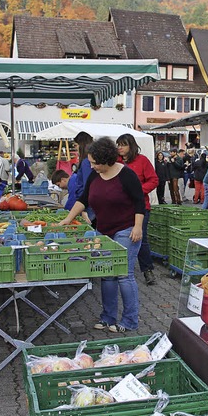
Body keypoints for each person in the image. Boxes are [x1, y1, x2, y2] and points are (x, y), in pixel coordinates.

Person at [59, 137, 144, 333]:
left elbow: (139, 202)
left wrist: (138, 227)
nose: (92, 166)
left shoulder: (126, 175)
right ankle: (107, 318)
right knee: (107, 275)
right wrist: (68, 219)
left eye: (94, 162)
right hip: (103, 231)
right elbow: (83, 199)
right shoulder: (95, 175)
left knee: (124, 275)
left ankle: (129, 321)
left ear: (106, 160)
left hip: (126, 230)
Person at [117, 134, 159, 286]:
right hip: (120, 206)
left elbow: (154, 180)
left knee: (141, 238)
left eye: (123, 144)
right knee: (120, 236)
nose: (119, 147)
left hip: (140, 206)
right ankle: (120, 267)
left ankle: (147, 270)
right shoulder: (116, 161)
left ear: (131, 146)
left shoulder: (142, 161)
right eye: (118, 144)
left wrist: (139, 191)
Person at [66, 131, 95, 224]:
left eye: (76, 145)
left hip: (88, 206)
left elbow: (87, 186)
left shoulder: (86, 162)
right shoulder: (89, 161)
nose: (76, 148)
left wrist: (83, 210)